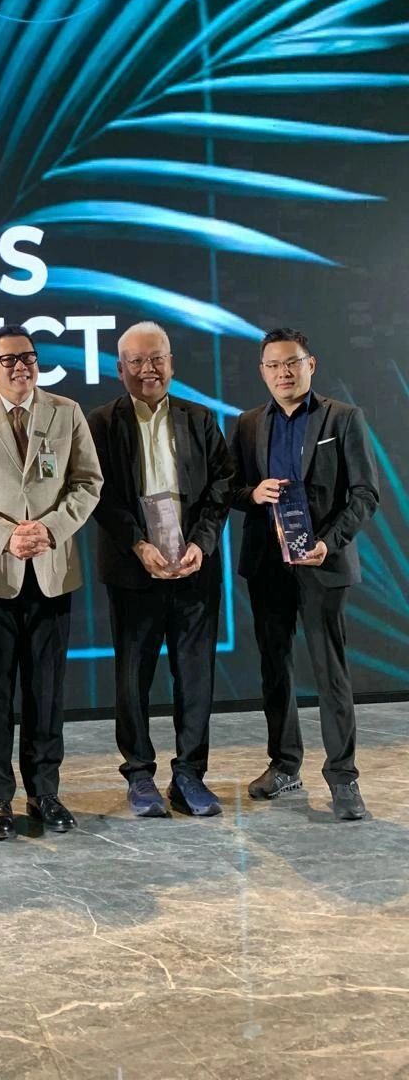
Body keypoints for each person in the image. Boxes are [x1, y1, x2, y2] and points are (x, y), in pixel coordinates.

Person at [0, 325, 102, 840]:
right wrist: (5, 535)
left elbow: (87, 482)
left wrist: (50, 530)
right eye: (8, 360)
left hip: (52, 570)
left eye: (28, 357)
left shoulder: (66, 411)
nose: (20, 367)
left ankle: (45, 791)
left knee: (46, 689)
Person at [230, 328, 379, 821]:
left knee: (329, 672)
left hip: (321, 562)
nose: (284, 373)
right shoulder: (249, 424)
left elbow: (365, 494)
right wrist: (253, 494)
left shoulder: (343, 418)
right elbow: (230, 488)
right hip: (267, 564)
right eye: (273, 365)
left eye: (292, 363)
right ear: (262, 372)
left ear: (310, 364)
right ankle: (284, 764)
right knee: (275, 668)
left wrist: (327, 543)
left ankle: (343, 776)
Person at [87, 322, 234, 819]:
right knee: (133, 677)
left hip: (194, 568)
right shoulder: (101, 423)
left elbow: (222, 485)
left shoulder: (200, 417)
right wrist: (137, 544)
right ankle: (139, 774)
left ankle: (190, 773)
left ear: (171, 363)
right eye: (136, 361)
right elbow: (97, 493)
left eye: (157, 359)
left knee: (195, 675)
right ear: (119, 368)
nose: (148, 369)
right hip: (134, 571)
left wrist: (201, 543)